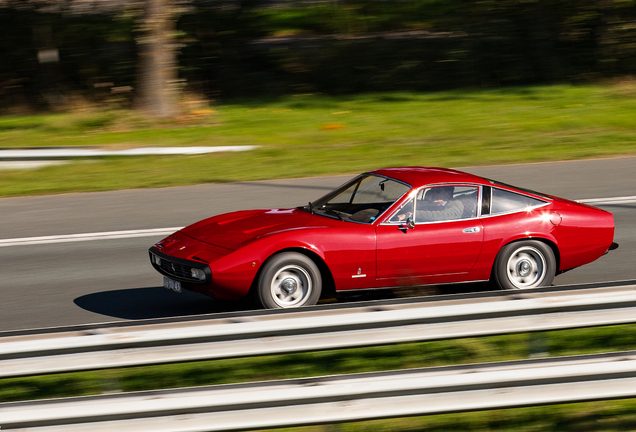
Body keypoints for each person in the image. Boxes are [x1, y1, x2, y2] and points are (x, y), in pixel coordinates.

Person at [395, 186, 464, 222]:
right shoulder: (433, 203)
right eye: (432, 190)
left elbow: (441, 215)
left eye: (437, 191)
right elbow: (418, 204)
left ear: (448, 194)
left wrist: (411, 214)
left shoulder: (456, 204)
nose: (433, 193)